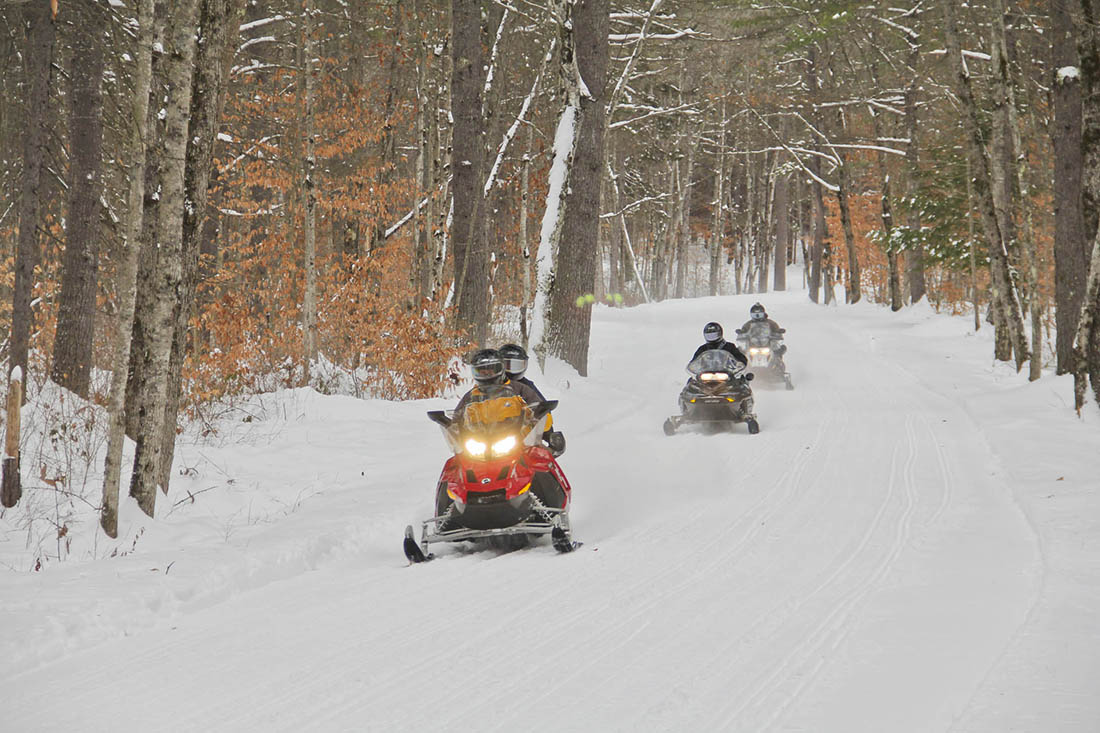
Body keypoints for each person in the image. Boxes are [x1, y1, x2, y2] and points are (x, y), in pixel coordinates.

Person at [498, 343, 566, 456]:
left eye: (515, 366)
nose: (510, 370)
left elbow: (542, 409)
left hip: (521, 439)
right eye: (505, 365)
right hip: (488, 437)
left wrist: (548, 434)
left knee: (544, 462)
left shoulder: (527, 387)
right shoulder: (488, 387)